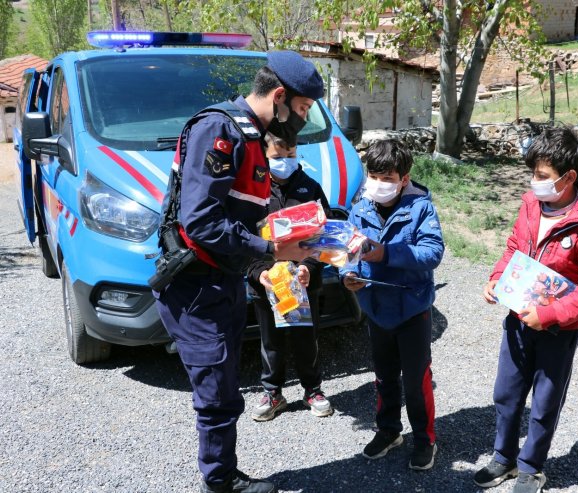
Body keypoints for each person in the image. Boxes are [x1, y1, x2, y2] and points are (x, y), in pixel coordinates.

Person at [152, 51, 324, 493]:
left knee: (226, 387)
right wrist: (271, 248)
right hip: (194, 286)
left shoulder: (252, 139)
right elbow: (202, 222)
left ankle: (223, 474)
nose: (301, 121)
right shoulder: (220, 130)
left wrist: (264, 267)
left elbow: (242, 222)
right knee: (215, 394)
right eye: (302, 110)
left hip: (223, 280)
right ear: (280, 96)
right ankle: (221, 482)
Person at [475, 126, 578, 493]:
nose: (533, 182)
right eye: (532, 174)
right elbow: (513, 247)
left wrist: (550, 316)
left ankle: (531, 467)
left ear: (569, 177)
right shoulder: (530, 204)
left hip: (558, 330)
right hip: (517, 320)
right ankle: (503, 459)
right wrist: (497, 278)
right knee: (506, 393)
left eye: (542, 176)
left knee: (545, 402)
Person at [340, 139, 445, 471]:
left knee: (415, 380)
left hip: (412, 309)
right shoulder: (360, 207)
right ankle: (388, 430)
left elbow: (433, 253)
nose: (380, 184)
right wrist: (347, 275)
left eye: (388, 178)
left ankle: (425, 438)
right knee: (384, 377)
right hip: (375, 309)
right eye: (374, 176)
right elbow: (348, 251)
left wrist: (387, 253)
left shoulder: (420, 208)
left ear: (404, 178)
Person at [246, 133, 333, 422]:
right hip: (267, 283)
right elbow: (241, 240)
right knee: (271, 342)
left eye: (291, 154)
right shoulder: (251, 191)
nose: (286, 161)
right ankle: (273, 392)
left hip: (304, 282)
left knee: (307, 338)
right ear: (263, 156)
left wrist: (310, 265)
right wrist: (259, 273)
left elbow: (325, 235)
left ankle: (313, 389)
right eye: (278, 156)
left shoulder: (310, 188)